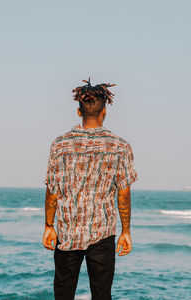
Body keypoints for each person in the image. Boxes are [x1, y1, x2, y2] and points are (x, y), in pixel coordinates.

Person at [42, 78, 138, 300]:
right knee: (102, 295)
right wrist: (126, 231)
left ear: (79, 112)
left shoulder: (60, 144)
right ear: (104, 112)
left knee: (63, 294)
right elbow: (123, 193)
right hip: (102, 233)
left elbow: (53, 190)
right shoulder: (119, 146)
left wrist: (48, 225)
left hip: (67, 232)